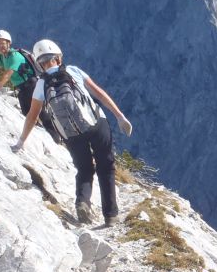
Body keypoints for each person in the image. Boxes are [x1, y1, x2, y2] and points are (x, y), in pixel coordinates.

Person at [11, 39, 133, 227]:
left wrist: (21, 141)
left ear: (39, 63)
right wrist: (120, 116)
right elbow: (99, 94)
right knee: (106, 167)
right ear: (58, 58)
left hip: (71, 135)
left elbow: (32, 116)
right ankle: (111, 215)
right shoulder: (74, 71)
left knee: (84, 169)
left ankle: (82, 202)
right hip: (96, 125)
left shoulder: (40, 86)